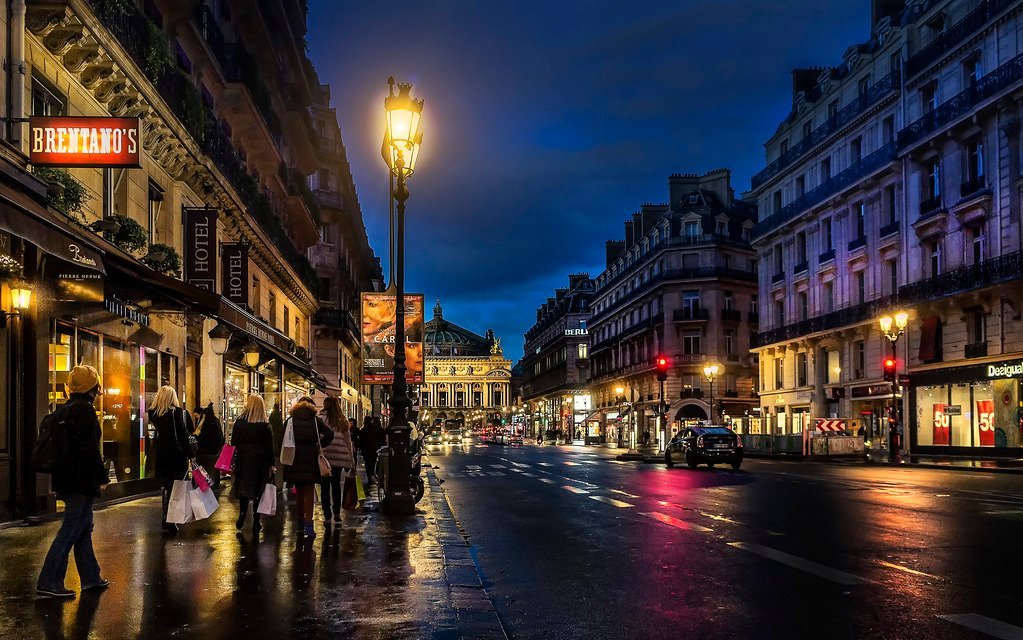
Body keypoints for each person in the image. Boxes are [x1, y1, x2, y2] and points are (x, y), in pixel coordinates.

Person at [37, 365, 110, 599]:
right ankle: (49, 580)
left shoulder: (64, 410)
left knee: (84, 528)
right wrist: (101, 477)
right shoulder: (85, 412)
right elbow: (89, 451)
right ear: (92, 388)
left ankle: (90, 577)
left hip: (65, 479)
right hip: (81, 481)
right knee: (71, 529)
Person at [281, 396, 333, 539]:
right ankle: (309, 525)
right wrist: (319, 444)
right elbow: (330, 434)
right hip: (310, 459)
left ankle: (299, 523)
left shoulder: (290, 421)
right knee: (309, 492)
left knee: (299, 492)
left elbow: (282, 438)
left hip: (295, 459)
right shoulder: (316, 422)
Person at [150, 385, 196, 533]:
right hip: (177, 454)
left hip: (161, 454)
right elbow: (183, 435)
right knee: (176, 488)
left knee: (167, 486)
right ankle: (171, 519)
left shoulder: (153, 414)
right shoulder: (177, 413)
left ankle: (165, 516)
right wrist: (190, 454)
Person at [230, 395, 275, 535]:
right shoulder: (265, 426)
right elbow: (270, 447)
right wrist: (272, 464)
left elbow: (233, 442)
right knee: (258, 490)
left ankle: (242, 514)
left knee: (243, 488)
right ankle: (256, 519)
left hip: (243, 460)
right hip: (260, 462)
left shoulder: (239, 423)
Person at [319, 396, 355, 525]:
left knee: (324, 486)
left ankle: (327, 515)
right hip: (339, 457)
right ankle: (337, 513)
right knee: (336, 485)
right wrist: (351, 459)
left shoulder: (321, 419)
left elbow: (319, 438)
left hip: (325, 457)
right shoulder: (342, 420)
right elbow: (348, 441)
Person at [192, 403, 225, 489]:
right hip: (215, 452)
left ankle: (204, 485)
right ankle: (214, 484)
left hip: (205, 452)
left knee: (204, 470)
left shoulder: (206, 424)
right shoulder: (216, 421)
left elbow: (202, 438)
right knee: (214, 470)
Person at [358, 416, 386, 486]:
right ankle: (371, 475)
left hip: (366, 449)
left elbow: (361, 441)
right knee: (373, 463)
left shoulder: (363, 430)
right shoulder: (375, 429)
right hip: (374, 449)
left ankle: (369, 476)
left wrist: (360, 448)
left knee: (367, 463)